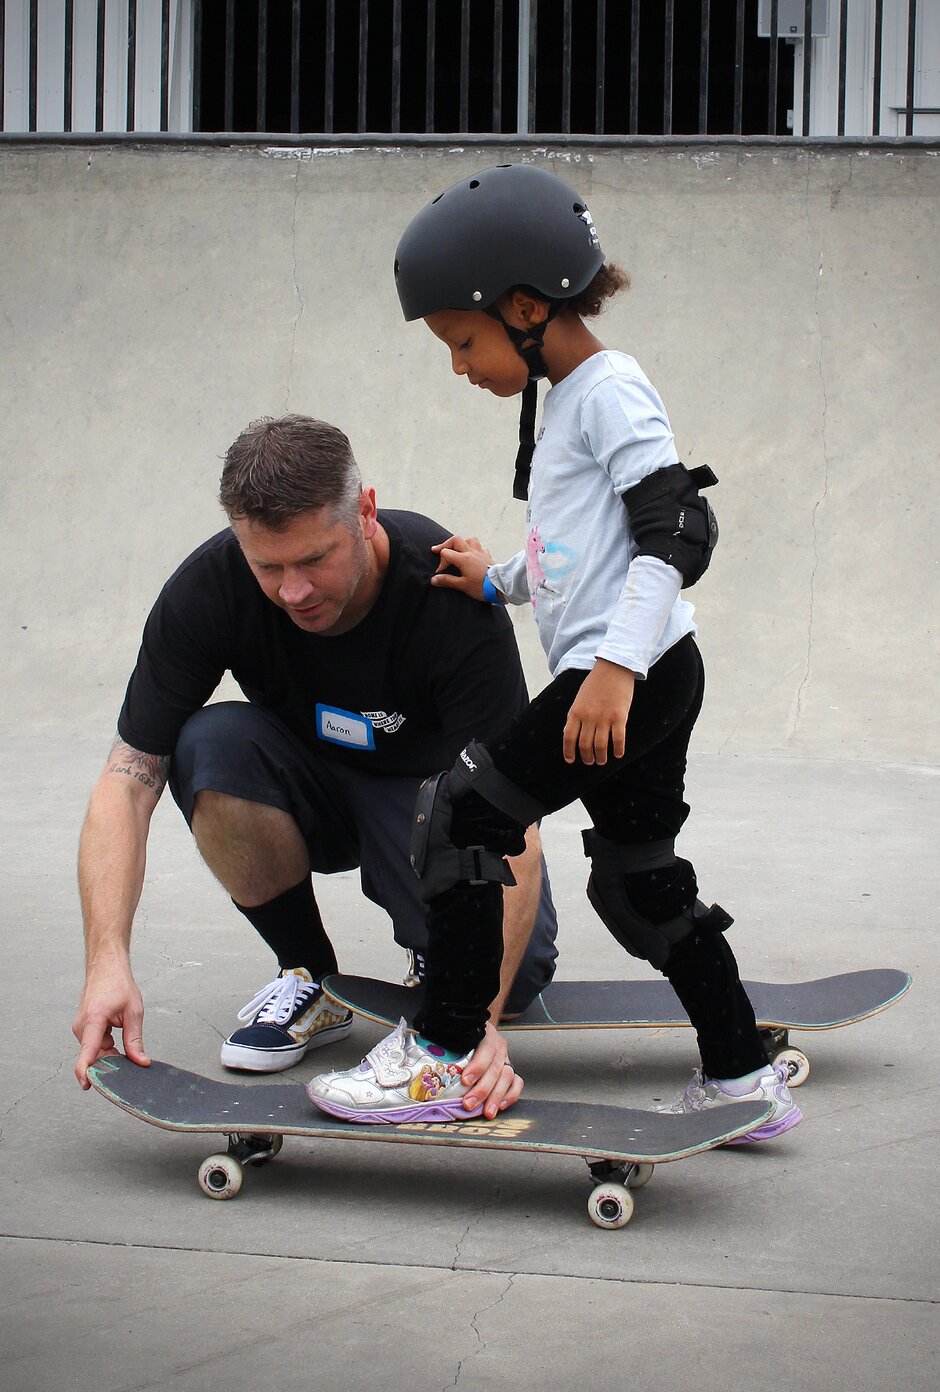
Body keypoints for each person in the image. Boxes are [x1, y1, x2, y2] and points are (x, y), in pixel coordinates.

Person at [307, 164, 802, 1140]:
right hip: (650, 671)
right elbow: (582, 549)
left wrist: (614, 668)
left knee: (461, 817)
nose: (457, 363)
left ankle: (443, 1054)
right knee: (637, 881)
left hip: (630, 675)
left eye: (462, 339)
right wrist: (498, 580)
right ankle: (742, 1075)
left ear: (525, 307)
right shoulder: (567, 396)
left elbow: (674, 528)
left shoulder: (611, 388)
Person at [73, 413, 558, 1117]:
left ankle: (440, 960)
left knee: (514, 984)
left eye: (313, 560)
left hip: (434, 807)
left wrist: (469, 1032)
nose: (291, 590)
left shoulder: (446, 590)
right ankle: (308, 973)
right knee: (209, 744)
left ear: (364, 512)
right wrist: (106, 962)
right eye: (268, 566)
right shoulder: (211, 588)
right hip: (307, 780)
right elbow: (127, 779)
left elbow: (518, 823)